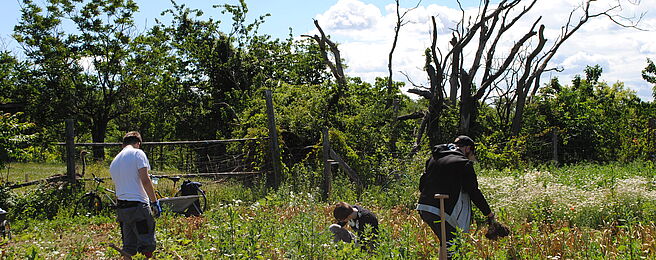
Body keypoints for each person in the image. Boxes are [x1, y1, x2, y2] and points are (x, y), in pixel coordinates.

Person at [416, 135, 495, 258]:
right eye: (472, 153)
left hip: (424, 208)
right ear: (468, 149)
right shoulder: (464, 163)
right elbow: (473, 192)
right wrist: (488, 213)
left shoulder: (434, 157)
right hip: (442, 211)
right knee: (454, 246)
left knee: (446, 243)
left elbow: (422, 185)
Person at [109, 131, 161, 259]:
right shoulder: (138, 153)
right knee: (147, 243)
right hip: (138, 209)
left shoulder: (115, 161)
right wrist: (154, 202)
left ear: (123, 145)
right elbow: (145, 180)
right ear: (138, 143)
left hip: (122, 210)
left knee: (129, 246)